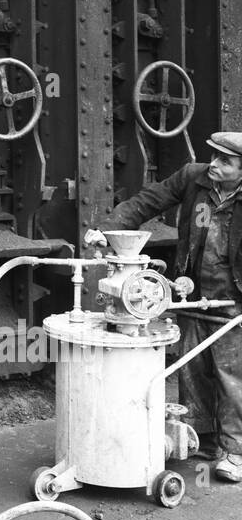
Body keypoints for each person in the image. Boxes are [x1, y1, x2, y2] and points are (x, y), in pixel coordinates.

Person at [90, 131, 242, 483]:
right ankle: (201, 441)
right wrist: (108, 229)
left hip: (232, 298)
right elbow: (147, 201)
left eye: (226, 161)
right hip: (191, 291)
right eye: (214, 157)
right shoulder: (193, 177)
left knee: (231, 376)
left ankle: (234, 452)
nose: (215, 165)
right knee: (192, 366)